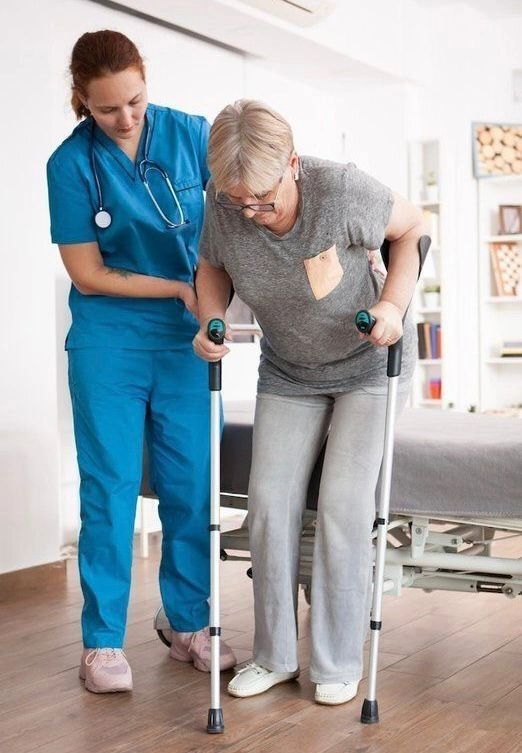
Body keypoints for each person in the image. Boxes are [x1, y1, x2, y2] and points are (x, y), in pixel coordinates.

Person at [193, 99, 425, 706]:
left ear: (293, 164)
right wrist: (210, 318)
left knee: (345, 507)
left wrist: (393, 308)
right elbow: (212, 264)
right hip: (289, 370)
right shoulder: (227, 204)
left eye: (264, 199)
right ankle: (273, 654)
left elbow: (414, 228)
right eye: (240, 200)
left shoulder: (341, 190)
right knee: (268, 504)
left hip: (368, 365)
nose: (252, 212)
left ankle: (335, 661)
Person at [46, 30, 236, 694]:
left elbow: (237, 218)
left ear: (145, 81)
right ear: (82, 103)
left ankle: (188, 622)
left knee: (192, 487)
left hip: (188, 340)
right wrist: (178, 287)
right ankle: (100, 641)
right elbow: (88, 272)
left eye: (133, 100)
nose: (125, 118)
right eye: (106, 110)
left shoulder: (192, 135)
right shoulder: (70, 166)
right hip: (110, 341)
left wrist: (216, 297)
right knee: (111, 489)